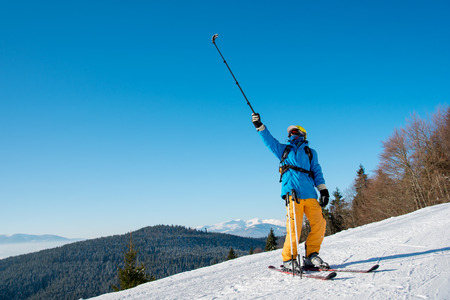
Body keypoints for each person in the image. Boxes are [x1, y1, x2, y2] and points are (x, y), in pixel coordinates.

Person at [252, 113, 330, 271]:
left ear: (302, 133)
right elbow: (269, 141)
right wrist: (260, 126)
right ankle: (289, 259)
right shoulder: (284, 150)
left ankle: (311, 255)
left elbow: (316, 171)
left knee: (320, 224)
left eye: (294, 131)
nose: (291, 134)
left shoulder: (310, 152)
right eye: (290, 132)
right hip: (292, 194)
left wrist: (323, 190)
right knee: (295, 228)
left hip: (310, 194)